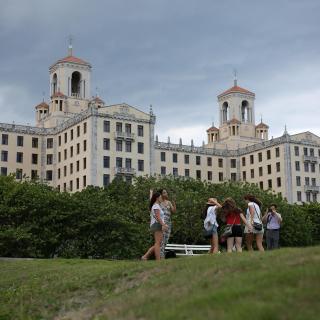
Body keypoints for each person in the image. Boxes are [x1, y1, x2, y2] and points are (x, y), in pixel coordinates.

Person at [142, 192, 168, 261]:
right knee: (157, 243)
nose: (161, 198)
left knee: (158, 243)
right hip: (157, 224)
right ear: (157, 198)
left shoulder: (157, 205)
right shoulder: (156, 206)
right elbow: (158, 217)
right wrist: (163, 224)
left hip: (158, 224)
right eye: (160, 197)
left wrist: (151, 193)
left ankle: (145, 257)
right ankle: (158, 260)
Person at [157, 189, 176, 259]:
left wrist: (174, 203)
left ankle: (161, 256)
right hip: (162, 224)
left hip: (168, 224)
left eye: (166, 192)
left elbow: (173, 211)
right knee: (161, 241)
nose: (166, 193)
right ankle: (161, 258)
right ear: (161, 194)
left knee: (165, 241)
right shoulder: (159, 202)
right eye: (164, 192)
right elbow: (152, 204)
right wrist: (151, 193)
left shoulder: (169, 202)